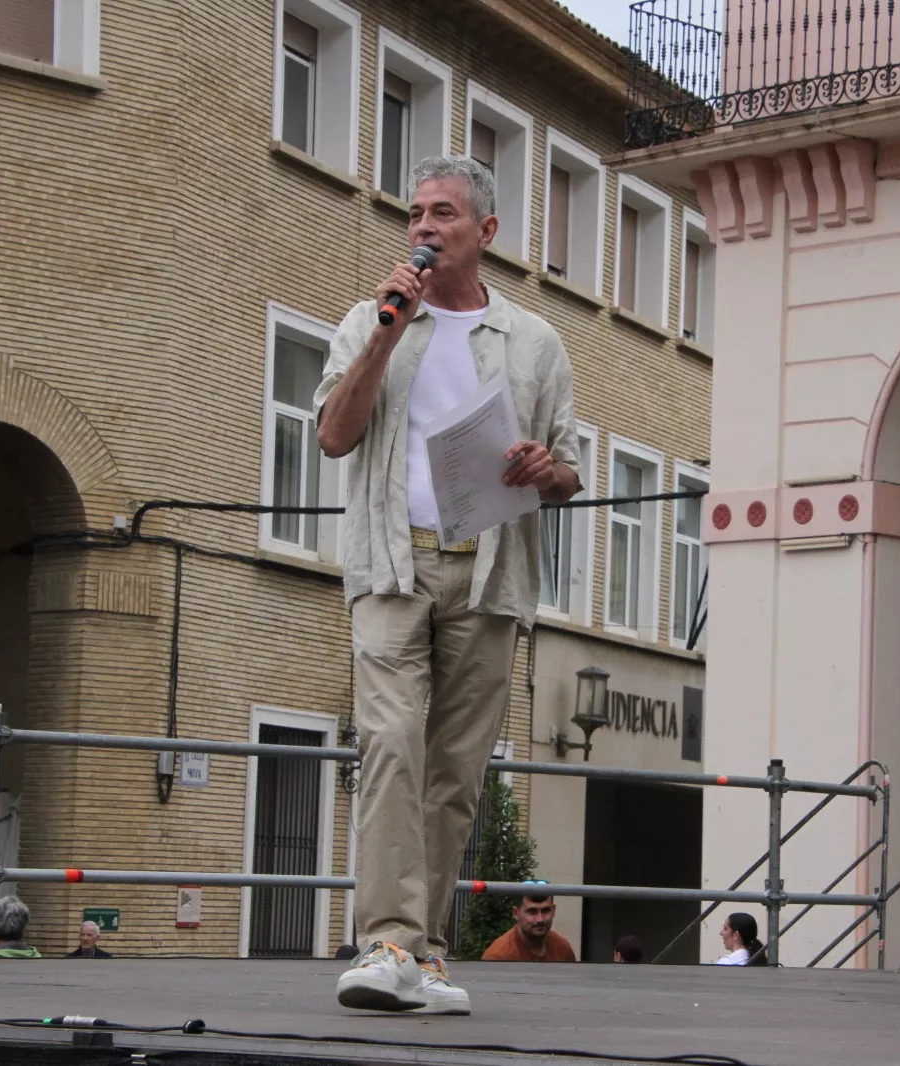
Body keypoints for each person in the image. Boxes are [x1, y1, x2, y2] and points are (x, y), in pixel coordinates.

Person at [318, 155, 581, 1017]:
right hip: (392, 566)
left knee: (455, 774)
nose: (424, 227)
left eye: (443, 214)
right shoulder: (370, 319)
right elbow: (333, 435)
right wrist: (387, 336)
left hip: (489, 571)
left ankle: (422, 958)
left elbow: (566, 471)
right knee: (389, 741)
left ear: (486, 233)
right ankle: (386, 940)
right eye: (415, 213)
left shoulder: (534, 343)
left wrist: (548, 471)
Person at [480, 895, 577, 962]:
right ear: (516, 913)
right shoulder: (499, 956)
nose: (540, 919)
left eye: (545, 911)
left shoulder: (563, 949)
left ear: (554, 910)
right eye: (532, 912)